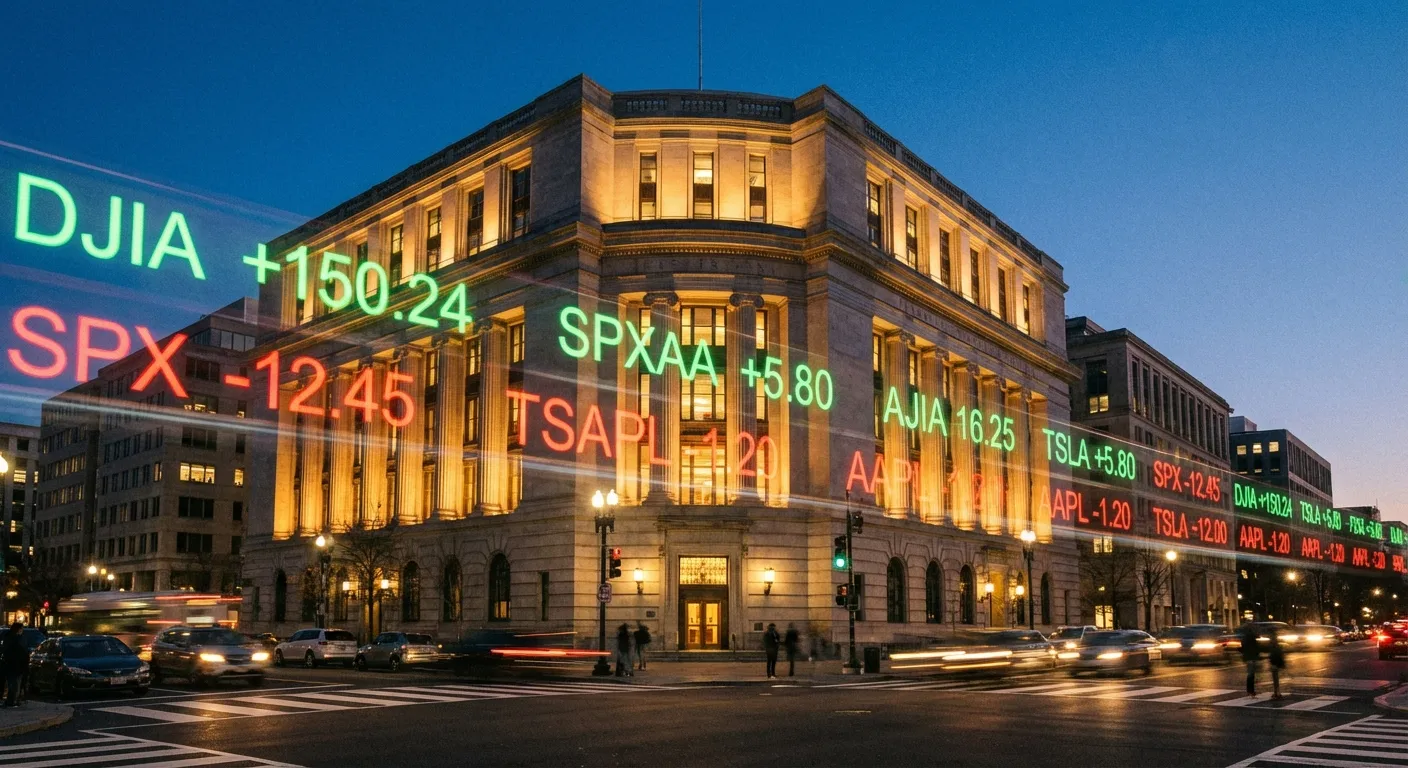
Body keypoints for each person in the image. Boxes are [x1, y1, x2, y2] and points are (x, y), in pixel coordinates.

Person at [2, 622, 30, 708]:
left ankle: (13, 700)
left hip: (14, 664)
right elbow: (20, 652)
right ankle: (12, 701)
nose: (22, 630)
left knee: (15, 684)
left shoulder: (11, 637)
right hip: (15, 664)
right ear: (18, 629)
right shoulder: (15, 639)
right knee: (14, 684)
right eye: (21, 629)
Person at [1239, 622, 1261, 695]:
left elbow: (1243, 647)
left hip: (1248, 656)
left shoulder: (1245, 637)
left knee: (1250, 673)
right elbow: (1256, 644)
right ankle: (1251, 690)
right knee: (1251, 674)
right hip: (1251, 656)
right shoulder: (1250, 636)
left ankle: (1250, 690)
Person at [1267, 629, 1286, 700]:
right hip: (1276, 662)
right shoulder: (1276, 644)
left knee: (1275, 679)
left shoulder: (1273, 644)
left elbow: (1274, 654)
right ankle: (1276, 692)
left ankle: (1277, 693)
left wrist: (1273, 662)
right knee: (1275, 679)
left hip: (1274, 663)